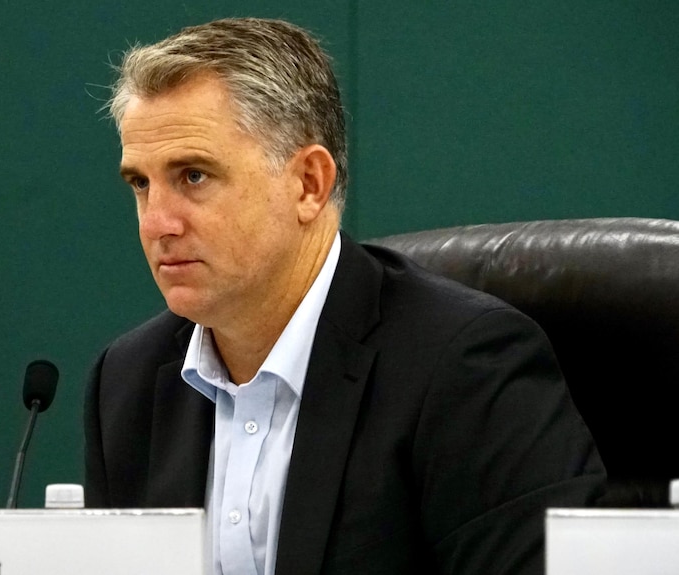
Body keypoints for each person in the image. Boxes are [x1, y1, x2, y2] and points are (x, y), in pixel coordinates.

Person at [84, 17, 605, 575]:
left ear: (309, 183)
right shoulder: (129, 382)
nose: (157, 222)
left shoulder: (462, 368)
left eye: (193, 176)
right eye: (140, 183)